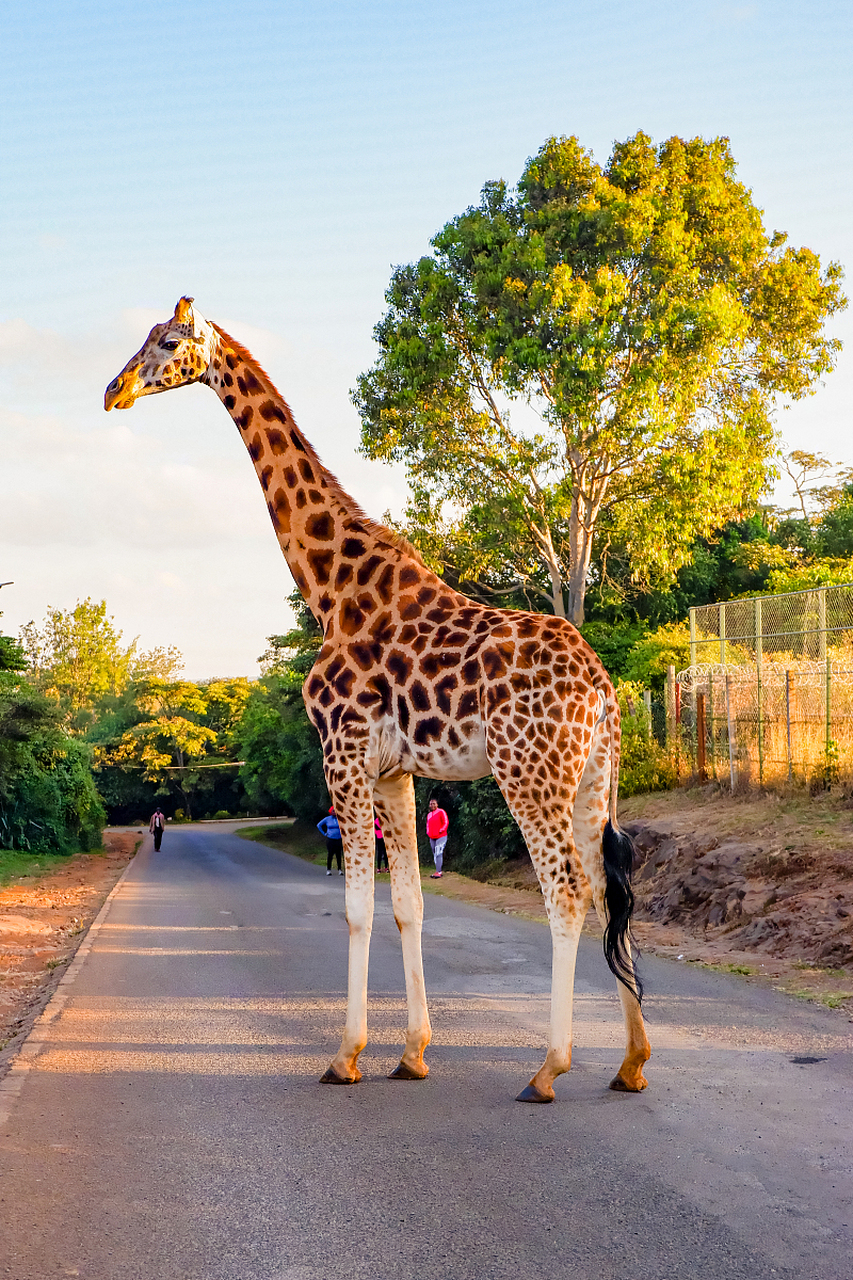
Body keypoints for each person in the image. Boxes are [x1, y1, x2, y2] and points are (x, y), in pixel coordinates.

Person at [317, 807, 344, 875]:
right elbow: (319, 825)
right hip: (330, 839)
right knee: (330, 854)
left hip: (339, 838)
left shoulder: (340, 818)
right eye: (333, 811)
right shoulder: (327, 819)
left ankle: (340, 870)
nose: (334, 812)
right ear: (330, 811)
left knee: (339, 854)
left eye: (335, 811)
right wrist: (324, 833)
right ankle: (328, 870)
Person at [426, 798, 448, 878]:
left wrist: (441, 830)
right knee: (435, 853)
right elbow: (428, 825)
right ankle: (437, 870)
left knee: (438, 852)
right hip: (432, 837)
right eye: (431, 804)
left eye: (434, 803)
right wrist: (428, 832)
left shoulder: (441, 812)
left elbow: (445, 822)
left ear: (437, 804)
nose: (432, 805)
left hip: (441, 836)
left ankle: (439, 871)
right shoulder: (429, 815)